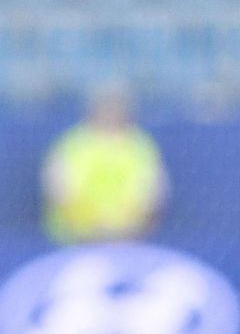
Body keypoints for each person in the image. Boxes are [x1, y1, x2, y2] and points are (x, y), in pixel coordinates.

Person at [41, 85, 168, 243]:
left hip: (128, 238)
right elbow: (57, 191)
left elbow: (153, 196)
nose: (110, 114)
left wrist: (127, 227)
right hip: (75, 236)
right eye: (106, 108)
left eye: (116, 108)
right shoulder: (72, 143)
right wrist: (90, 223)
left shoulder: (140, 146)